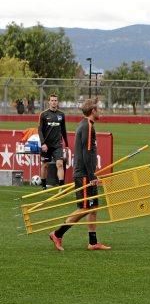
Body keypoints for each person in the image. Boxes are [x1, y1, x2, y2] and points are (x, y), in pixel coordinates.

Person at [48, 99, 111, 251]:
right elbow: (87, 153)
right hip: (84, 175)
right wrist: (92, 176)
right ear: (93, 111)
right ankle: (57, 233)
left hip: (86, 173)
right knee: (84, 208)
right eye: (98, 109)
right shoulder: (87, 127)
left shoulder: (86, 125)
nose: (100, 112)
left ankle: (93, 242)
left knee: (93, 207)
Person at [38, 93, 69, 190]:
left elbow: (63, 130)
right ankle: (43, 186)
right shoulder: (43, 114)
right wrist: (43, 143)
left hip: (57, 145)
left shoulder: (61, 115)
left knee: (59, 164)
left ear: (57, 102)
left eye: (55, 100)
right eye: (52, 100)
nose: (54, 102)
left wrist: (66, 144)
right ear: (49, 102)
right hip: (46, 145)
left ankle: (61, 187)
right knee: (45, 165)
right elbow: (39, 130)